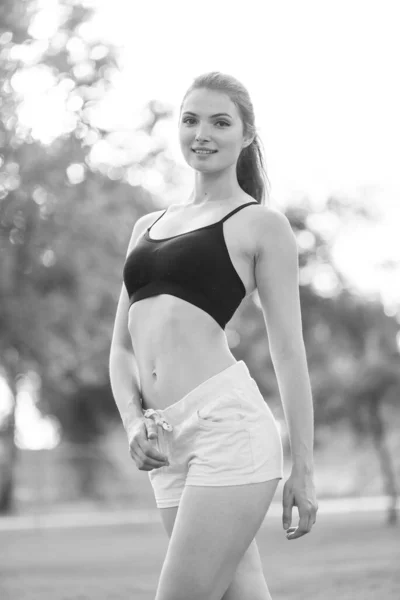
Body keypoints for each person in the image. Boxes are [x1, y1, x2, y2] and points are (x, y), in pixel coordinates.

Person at [109, 71, 318, 600]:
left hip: (228, 428)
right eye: (190, 120)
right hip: (164, 439)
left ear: (246, 134)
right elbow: (121, 348)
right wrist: (133, 421)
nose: (202, 133)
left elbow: (289, 354)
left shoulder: (260, 224)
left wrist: (304, 471)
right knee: (241, 592)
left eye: (220, 122)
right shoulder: (148, 226)